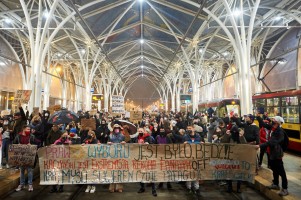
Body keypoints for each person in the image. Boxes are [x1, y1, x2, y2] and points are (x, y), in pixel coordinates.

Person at [255, 115, 288, 196]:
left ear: (277, 122)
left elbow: (272, 142)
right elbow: (263, 124)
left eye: (273, 119)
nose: (271, 120)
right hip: (271, 153)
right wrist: (258, 117)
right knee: (274, 169)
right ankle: (276, 184)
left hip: (277, 153)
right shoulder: (273, 128)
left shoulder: (279, 131)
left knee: (281, 171)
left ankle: (285, 188)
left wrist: (260, 145)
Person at [14, 125, 36, 192]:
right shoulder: (18, 136)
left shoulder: (32, 136)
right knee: (22, 171)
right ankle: (21, 184)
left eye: (29, 129)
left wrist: (31, 144)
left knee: (29, 171)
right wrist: (17, 145)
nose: (29, 130)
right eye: (27, 129)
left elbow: (36, 144)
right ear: (23, 129)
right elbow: (14, 143)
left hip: (29, 156)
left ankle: (30, 185)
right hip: (21, 156)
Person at [136, 127, 157, 197]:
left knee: (151, 173)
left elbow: (155, 146)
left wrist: (149, 144)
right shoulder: (136, 138)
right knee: (141, 173)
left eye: (141, 131)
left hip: (148, 158)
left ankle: (154, 190)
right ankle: (142, 187)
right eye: (139, 131)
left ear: (144, 131)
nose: (140, 132)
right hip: (140, 157)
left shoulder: (149, 138)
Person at [183, 125, 201, 196]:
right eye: (187, 128)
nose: (188, 129)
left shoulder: (198, 136)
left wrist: (189, 143)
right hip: (188, 157)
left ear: (193, 129)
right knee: (188, 172)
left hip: (197, 157)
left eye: (190, 128)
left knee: (196, 172)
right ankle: (189, 187)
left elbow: (199, 144)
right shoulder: (185, 137)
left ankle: (197, 188)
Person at [107, 124, 126, 193]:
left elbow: (126, 145)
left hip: (120, 155)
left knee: (119, 171)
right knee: (112, 171)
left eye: (117, 128)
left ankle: (119, 187)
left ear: (120, 129)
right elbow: (107, 143)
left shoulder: (123, 136)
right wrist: (108, 143)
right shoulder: (110, 136)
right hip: (112, 155)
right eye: (115, 128)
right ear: (113, 129)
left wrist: (124, 143)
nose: (116, 129)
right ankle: (111, 187)